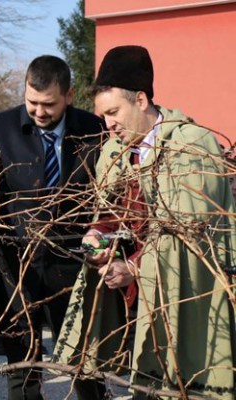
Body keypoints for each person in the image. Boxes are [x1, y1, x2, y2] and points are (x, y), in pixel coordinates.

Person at [52, 45, 236, 399]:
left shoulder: (191, 147)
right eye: (103, 115)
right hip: (133, 298)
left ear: (140, 100)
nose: (108, 124)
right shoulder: (114, 151)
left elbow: (188, 233)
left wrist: (134, 267)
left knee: (182, 386)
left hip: (186, 297)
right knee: (143, 386)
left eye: (113, 112)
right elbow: (110, 214)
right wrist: (96, 237)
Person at [0, 55, 105, 400]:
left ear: (70, 95)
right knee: (23, 367)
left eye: (49, 104)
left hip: (73, 263)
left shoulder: (94, 129)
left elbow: (106, 195)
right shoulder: (0, 127)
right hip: (19, 265)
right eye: (32, 102)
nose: (39, 112)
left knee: (84, 363)